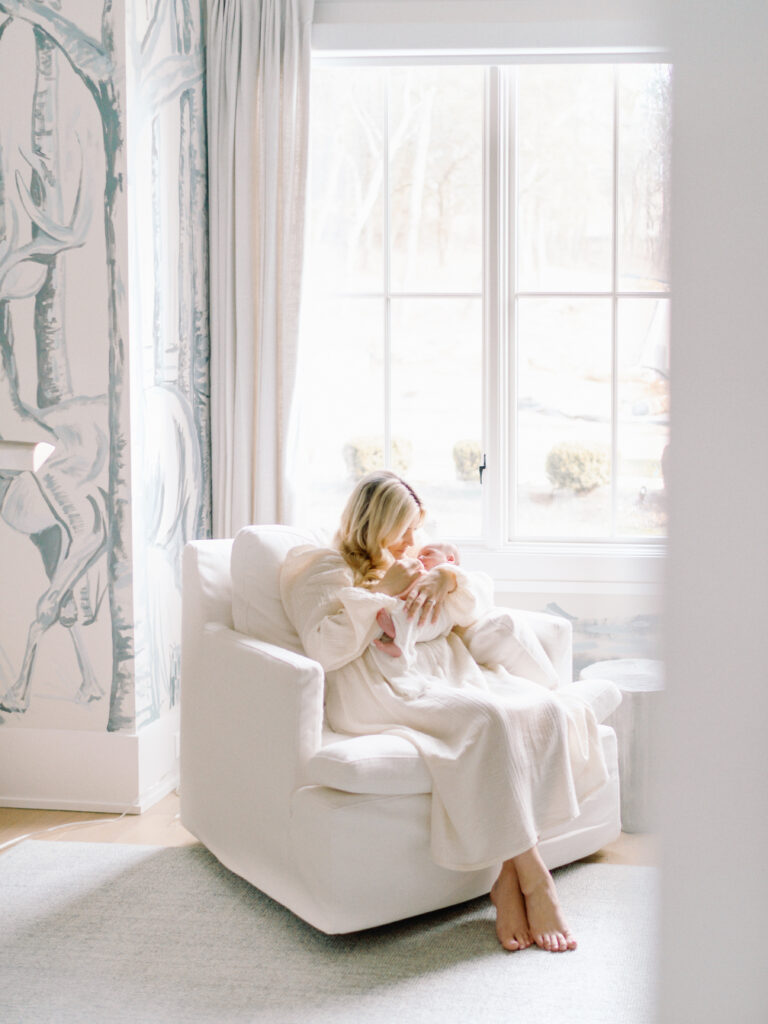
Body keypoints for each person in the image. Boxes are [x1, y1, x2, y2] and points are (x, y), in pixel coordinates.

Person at [280, 471, 609, 953]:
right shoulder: (322, 567)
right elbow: (324, 648)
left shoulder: (415, 558)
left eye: (417, 529)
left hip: (443, 672)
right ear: (372, 523)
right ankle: (535, 881)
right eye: (404, 530)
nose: (414, 541)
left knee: (540, 707)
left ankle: (504, 878)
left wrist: (447, 575)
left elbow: (471, 607)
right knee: (488, 719)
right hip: (376, 689)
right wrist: (384, 594)